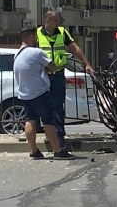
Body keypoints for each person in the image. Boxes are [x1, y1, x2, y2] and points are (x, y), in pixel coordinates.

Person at [13, 28, 74, 160]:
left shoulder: (17, 54)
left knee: (30, 120)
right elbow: (52, 65)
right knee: (49, 121)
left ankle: (34, 150)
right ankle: (57, 150)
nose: (36, 39)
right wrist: (58, 66)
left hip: (24, 93)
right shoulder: (36, 52)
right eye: (34, 37)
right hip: (39, 93)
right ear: (30, 37)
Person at [37, 11, 93, 149]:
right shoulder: (37, 33)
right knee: (45, 106)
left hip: (58, 75)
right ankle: (49, 134)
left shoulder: (62, 32)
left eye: (58, 20)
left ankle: (59, 135)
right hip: (43, 76)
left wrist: (86, 63)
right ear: (47, 20)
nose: (58, 23)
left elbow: (74, 48)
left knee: (58, 106)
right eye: (55, 20)